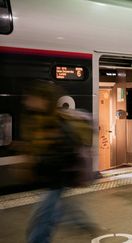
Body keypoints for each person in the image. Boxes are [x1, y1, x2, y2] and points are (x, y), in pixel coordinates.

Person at [22, 80, 97, 243]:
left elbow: (66, 152)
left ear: (44, 100)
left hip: (55, 182)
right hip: (53, 183)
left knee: (40, 229)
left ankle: (82, 223)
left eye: (33, 98)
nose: (28, 101)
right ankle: (82, 223)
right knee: (50, 217)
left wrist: (39, 166)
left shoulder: (57, 124)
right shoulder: (44, 121)